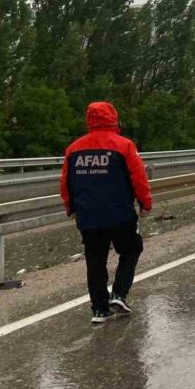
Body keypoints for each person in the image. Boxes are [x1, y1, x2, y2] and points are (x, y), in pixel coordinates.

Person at [61, 102, 153, 325]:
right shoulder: (124, 145)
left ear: (89, 119)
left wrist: (70, 208)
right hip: (120, 214)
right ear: (114, 118)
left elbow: (66, 183)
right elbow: (138, 178)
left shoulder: (74, 149)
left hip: (88, 217)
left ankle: (100, 309)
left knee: (95, 261)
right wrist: (145, 203)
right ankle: (119, 294)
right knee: (131, 250)